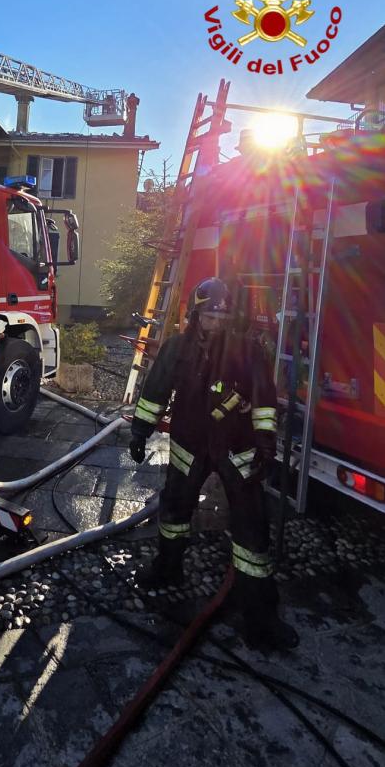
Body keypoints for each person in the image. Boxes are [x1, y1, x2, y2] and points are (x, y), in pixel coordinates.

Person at [129, 277, 298, 651]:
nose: (215, 322)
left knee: (252, 529)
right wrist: (140, 432)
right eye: (208, 315)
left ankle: (260, 617)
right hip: (190, 445)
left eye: (221, 316)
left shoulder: (249, 351)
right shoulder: (177, 349)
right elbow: (154, 392)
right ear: (195, 314)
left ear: (231, 316)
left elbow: (264, 401)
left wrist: (266, 444)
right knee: (174, 510)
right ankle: (167, 568)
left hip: (237, 450)